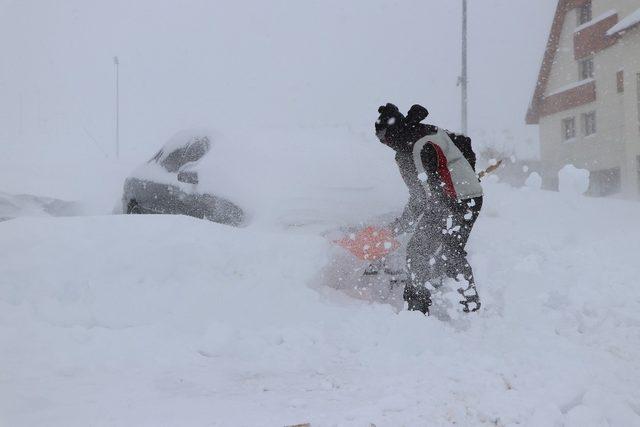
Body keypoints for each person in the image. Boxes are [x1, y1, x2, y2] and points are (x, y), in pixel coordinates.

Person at [375, 103, 483, 315]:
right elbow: (462, 143)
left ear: (392, 134)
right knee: (448, 251)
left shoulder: (418, 146)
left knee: (421, 251)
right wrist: (467, 175)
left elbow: (424, 197)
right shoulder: (419, 134)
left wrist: (399, 227)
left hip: (455, 201)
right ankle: (469, 304)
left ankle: (417, 309)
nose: (385, 144)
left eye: (384, 139)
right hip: (465, 198)